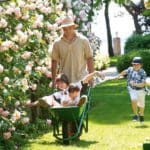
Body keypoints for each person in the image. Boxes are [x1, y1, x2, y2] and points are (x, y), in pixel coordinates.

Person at [51, 15, 94, 88]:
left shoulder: (83, 41)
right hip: (65, 81)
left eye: (69, 28)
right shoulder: (57, 43)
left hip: (82, 79)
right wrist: (54, 80)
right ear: (62, 28)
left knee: (80, 99)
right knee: (66, 99)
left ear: (73, 27)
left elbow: (89, 58)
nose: (67, 31)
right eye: (65, 28)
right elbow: (54, 61)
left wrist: (91, 77)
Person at [26, 71, 104, 107]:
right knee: (49, 98)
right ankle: (48, 103)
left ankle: (79, 102)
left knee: (82, 98)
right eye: (58, 84)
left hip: (76, 106)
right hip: (65, 108)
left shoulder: (74, 85)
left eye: (61, 83)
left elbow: (86, 79)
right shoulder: (61, 93)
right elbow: (49, 97)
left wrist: (95, 73)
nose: (60, 86)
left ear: (66, 81)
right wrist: (31, 104)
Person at [117, 57, 147, 123]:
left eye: (137, 64)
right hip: (132, 89)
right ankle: (135, 114)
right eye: (134, 64)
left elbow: (143, 84)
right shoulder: (130, 69)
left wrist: (135, 84)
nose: (135, 66)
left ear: (141, 65)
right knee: (134, 100)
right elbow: (125, 71)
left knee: (142, 105)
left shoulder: (143, 72)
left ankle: (141, 114)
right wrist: (119, 75)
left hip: (141, 90)